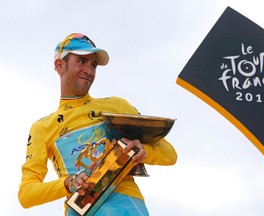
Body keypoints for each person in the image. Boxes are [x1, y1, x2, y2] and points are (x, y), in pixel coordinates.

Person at [18, 33, 178, 215]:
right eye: (81, 61)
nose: (89, 70)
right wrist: (68, 182)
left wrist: (145, 152)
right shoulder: (42, 127)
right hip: (81, 210)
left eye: (93, 65)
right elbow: (26, 194)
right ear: (60, 65)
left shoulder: (117, 106)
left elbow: (170, 154)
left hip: (125, 204)